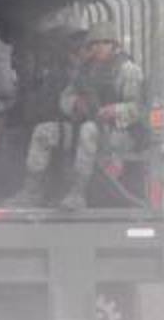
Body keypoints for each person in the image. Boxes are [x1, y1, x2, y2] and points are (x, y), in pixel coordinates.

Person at [8, 22, 143, 210]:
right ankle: (32, 191)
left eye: (105, 43)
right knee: (44, 131)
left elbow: (139, 107)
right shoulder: (85, 70)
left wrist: (114, 110)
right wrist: (74, 104)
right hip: (86, 126)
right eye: (95, 43)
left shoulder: (128, 70)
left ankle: (78, 193)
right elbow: (66, 97)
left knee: (89, 130)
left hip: (119, 134)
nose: (99, 47)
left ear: (114, 45)